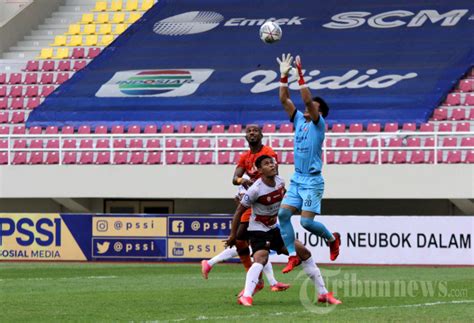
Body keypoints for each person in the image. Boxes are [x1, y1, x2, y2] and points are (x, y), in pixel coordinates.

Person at [227, 155, 341, 306]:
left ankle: (323, 294)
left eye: (272, 162)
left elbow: (287, 199)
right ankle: (246, 296)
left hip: (274, 229)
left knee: (304, 252)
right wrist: (233, 235)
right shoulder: (255, 190)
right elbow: (239, 212)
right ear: (260, 170)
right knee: (261, 258)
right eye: (267, 164)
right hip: (258, 230)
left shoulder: (280, 182)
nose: (272, 165)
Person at [201, 125, 288, 292]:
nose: (252, 133)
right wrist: (242, 183)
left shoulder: (268, 153)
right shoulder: (245, 157)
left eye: (255, 130)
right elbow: (235, 178)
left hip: (263, 204)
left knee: (245, 240)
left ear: (261, 135)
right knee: (251, 243)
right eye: (248, 131)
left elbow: (273, 177)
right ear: (245, 136)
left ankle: (262, 279)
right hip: (251, 202)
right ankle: (265, 281)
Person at [276, 53, 341, 274]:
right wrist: (283, 76)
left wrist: (301, 76)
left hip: (312, 181)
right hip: (297, 178)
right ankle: (293, 256)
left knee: (306, 223)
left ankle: (332, 239)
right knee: (283, 215)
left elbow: (305, 100)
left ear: (318, 112)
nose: (307, 108)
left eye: (312, 107)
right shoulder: (298, 120)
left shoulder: (318, 124)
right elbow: (284, 100)